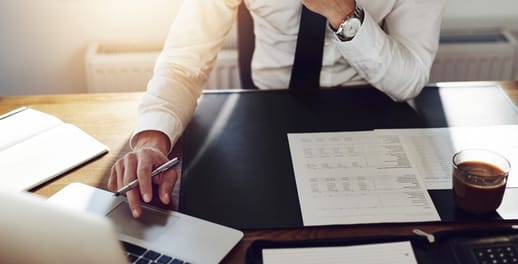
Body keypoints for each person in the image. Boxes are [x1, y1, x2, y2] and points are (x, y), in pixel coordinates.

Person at [107, 0, 447, 218]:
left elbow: (410, 80)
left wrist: (344, 13)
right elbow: (184, 63)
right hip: (263, 121)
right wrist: (152, 139)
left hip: (369, 120)